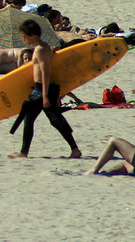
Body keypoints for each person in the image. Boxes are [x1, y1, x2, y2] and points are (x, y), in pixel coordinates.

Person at [8, 20, 81, 159]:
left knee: (54, 119)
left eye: (24, 36)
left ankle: (74, 149)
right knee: (48, 119)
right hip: (42, 89)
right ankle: (24, 152)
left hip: (43, 90)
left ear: (31, 35)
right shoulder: (43, 47)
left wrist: (45, 96)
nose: (23, 39)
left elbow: (45, 73)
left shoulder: (40, 49)